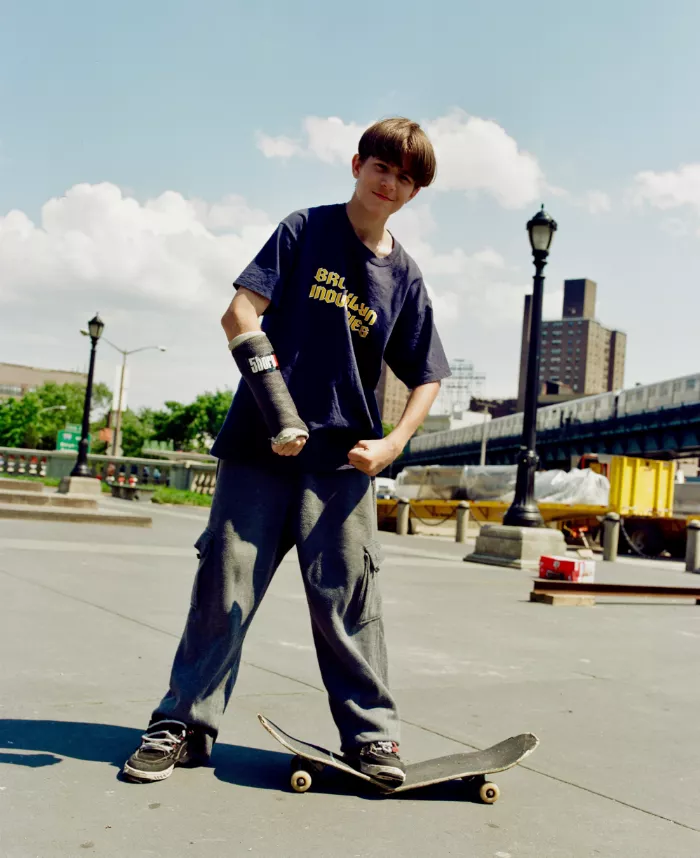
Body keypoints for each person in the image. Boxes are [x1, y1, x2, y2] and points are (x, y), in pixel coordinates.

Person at [122, 117, 451, 786]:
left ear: (416, 192)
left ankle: (372, 738)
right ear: (358, 164)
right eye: (383, 168)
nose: (392, 185)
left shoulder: (405, 277)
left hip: (341, 463)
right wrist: (279, 408)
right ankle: (182, 724)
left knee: (349, 597)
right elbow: (240, 313)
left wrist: (392, 443)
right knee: (224, 583)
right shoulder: (306, 229)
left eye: (408, 179)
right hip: (257, 448)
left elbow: (428, 375)